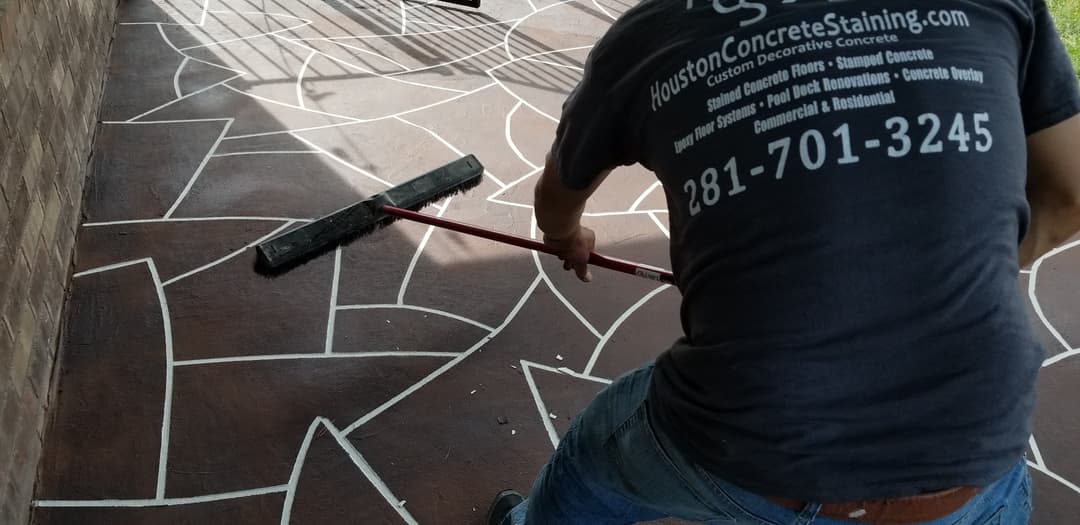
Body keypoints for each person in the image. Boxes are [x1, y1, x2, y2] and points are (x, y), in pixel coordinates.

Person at [487, 0, 1080, 524]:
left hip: (745, 445)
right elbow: (1070, 195)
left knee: (594, 461)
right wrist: (959, 273)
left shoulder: (650, 35)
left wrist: (567, 236)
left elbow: (556, 196)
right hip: (971, 465)